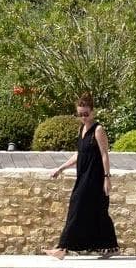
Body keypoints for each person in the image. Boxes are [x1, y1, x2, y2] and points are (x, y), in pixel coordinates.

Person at [48, 93, 118, 257]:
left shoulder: (98, 130)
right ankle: (111, 247)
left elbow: (104, 155)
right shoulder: (82, 129)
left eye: (86, 114)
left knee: (76, 207)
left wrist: (107, 179)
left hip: (95, 178)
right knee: (98, 212)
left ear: (93, 112)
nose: (84, 117)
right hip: (83, 176)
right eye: (80, 114)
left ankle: (62, 249)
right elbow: (80, 154)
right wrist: (61, 168)